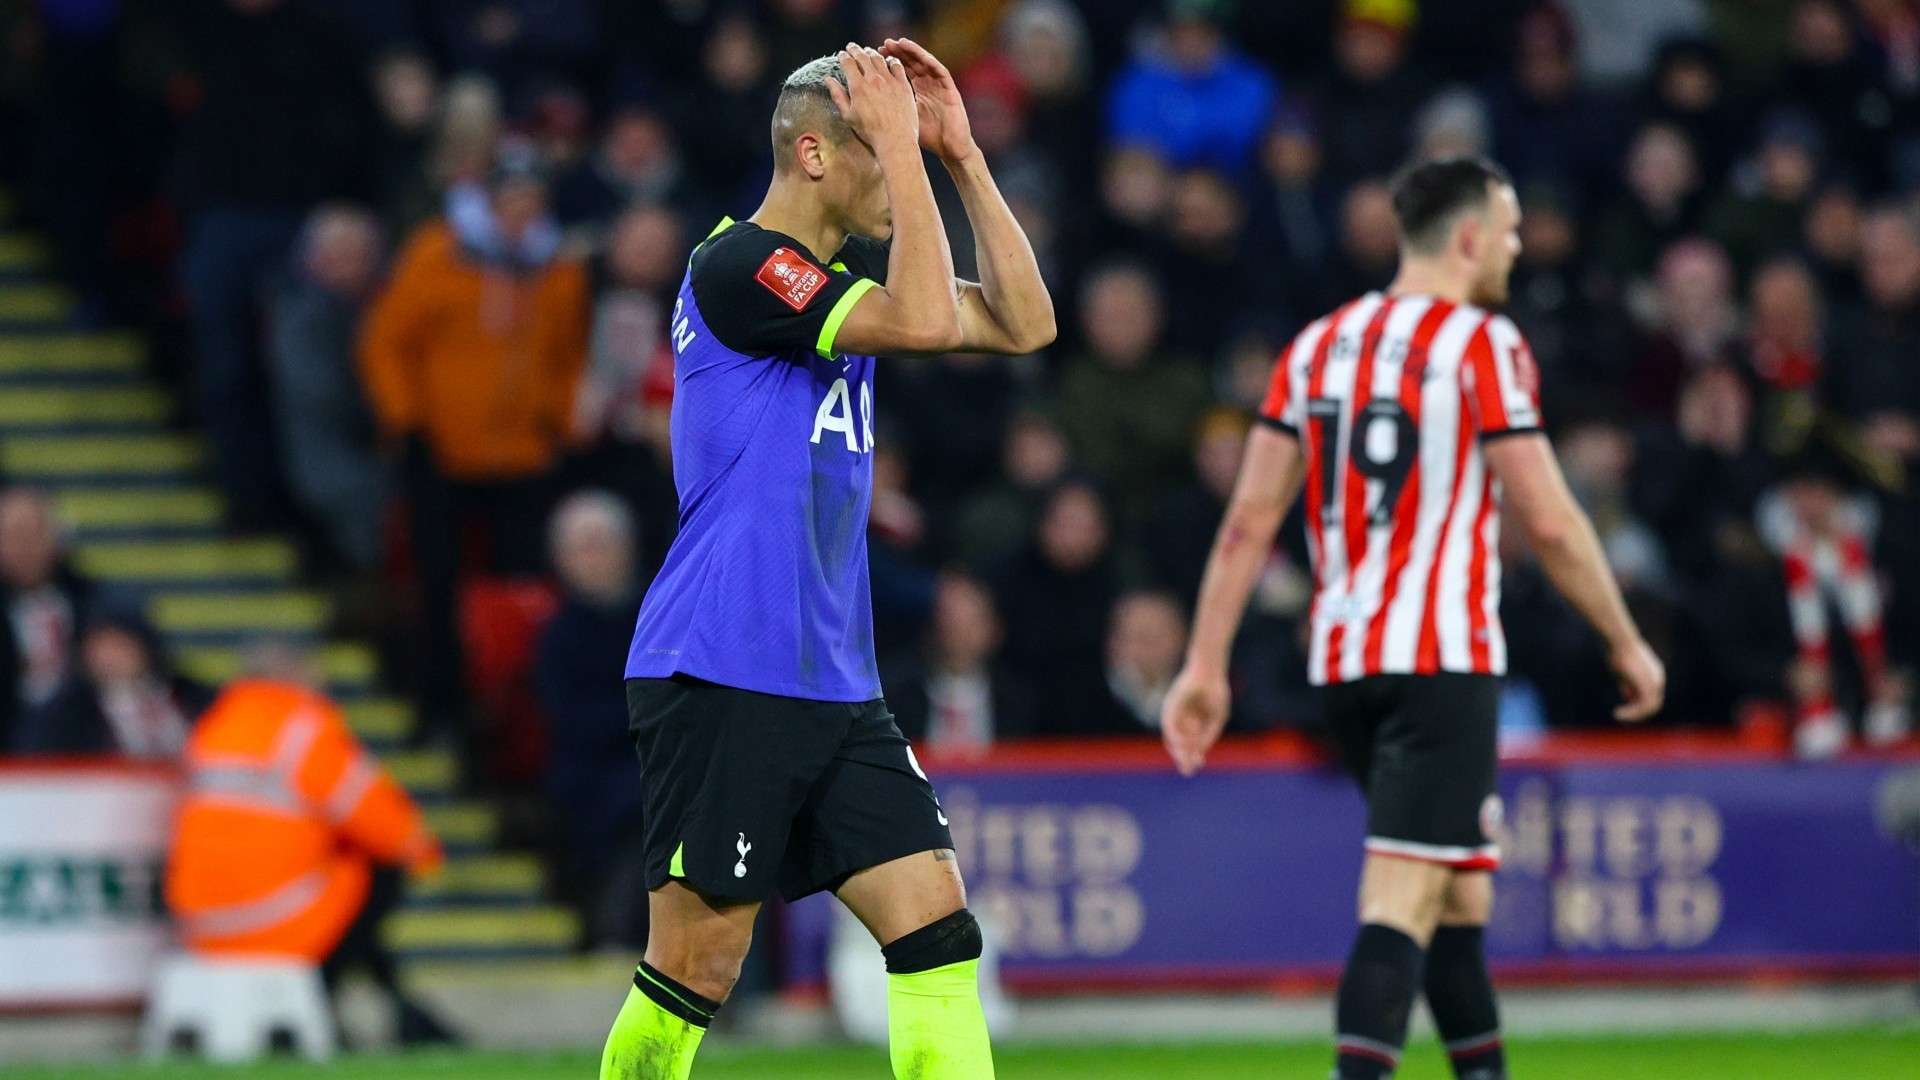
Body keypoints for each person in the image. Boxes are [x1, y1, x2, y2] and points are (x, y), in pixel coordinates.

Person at [602, 40, 1054, 1080]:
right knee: (698, 963)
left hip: (835, 679)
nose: (895, 177)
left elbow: (1027, 324)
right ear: (813, 153)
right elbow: (933, 316)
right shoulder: (739, 264)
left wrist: (960, 156)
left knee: (936, 926)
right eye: (871, 151)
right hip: (721, 663)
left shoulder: (831, 288)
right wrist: (908, 147)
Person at [1160, 157, 1666, 1080]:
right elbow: (1550, 520)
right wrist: (1623, 637)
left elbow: (1248, 522)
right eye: (1509, 230)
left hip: (1347, 664)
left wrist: (1204, 665)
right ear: (1470, 238)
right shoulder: (1482, 343)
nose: (1514, 247)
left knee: (1454, 900)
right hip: (1444, 661)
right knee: (1400, 900)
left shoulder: (1314, 347)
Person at [358, 147, 590, 749]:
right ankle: (438, 709)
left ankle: (507, 727)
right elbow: (385, 342)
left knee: (520, 601)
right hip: (442, 456)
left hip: (524, 461)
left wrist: (559, 425)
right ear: (488, 201)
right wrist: (406, 423)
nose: (520, 213)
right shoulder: (439, 252)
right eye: (509, 199)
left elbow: (568, 357)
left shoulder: (557, 268)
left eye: (531, 201)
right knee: (436, 590)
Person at [166, 667, 454, 1043]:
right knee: (377, 870)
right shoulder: (302, 730)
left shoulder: (213, 727)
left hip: (198, 930)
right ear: (307, 681)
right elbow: (381, 822)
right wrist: (424, 851)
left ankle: (371, 1002)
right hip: (276, 924)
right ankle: (328, 1000)